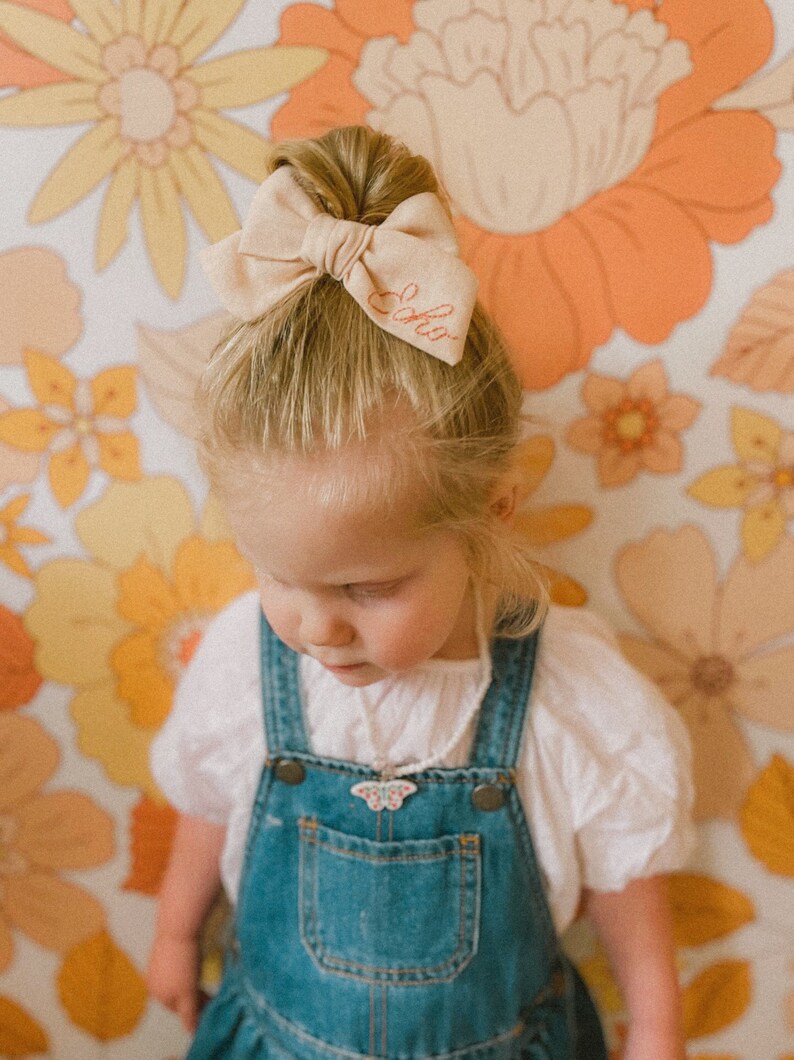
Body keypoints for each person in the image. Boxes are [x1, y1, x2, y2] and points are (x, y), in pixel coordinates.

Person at [147, 125, 694, 1060]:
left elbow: (622, 878)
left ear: (489, 513)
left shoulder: (567, 695)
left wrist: (656, 1022)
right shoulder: (245, 657)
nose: (317, 627)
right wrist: (173, 929)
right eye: (278, 574)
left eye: (367, 588)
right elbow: (211, 799)